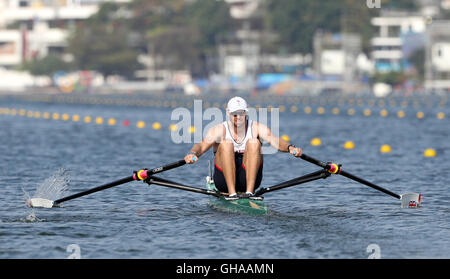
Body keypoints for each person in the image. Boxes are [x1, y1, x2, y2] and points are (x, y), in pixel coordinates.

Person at [184, 96, 302, 200]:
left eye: (241, 113)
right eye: (234, 114)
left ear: (246, 112)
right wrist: (193, 153)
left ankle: (249, 193)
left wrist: (290, 147)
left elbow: (275, 141)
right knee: (226, 143)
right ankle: (232, 193)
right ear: (228, 112)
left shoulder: (257, 127)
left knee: (254, 142)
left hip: (249, 180)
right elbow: (202, 145)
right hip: (223, 181)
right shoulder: (219, 129)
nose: (238, 117)